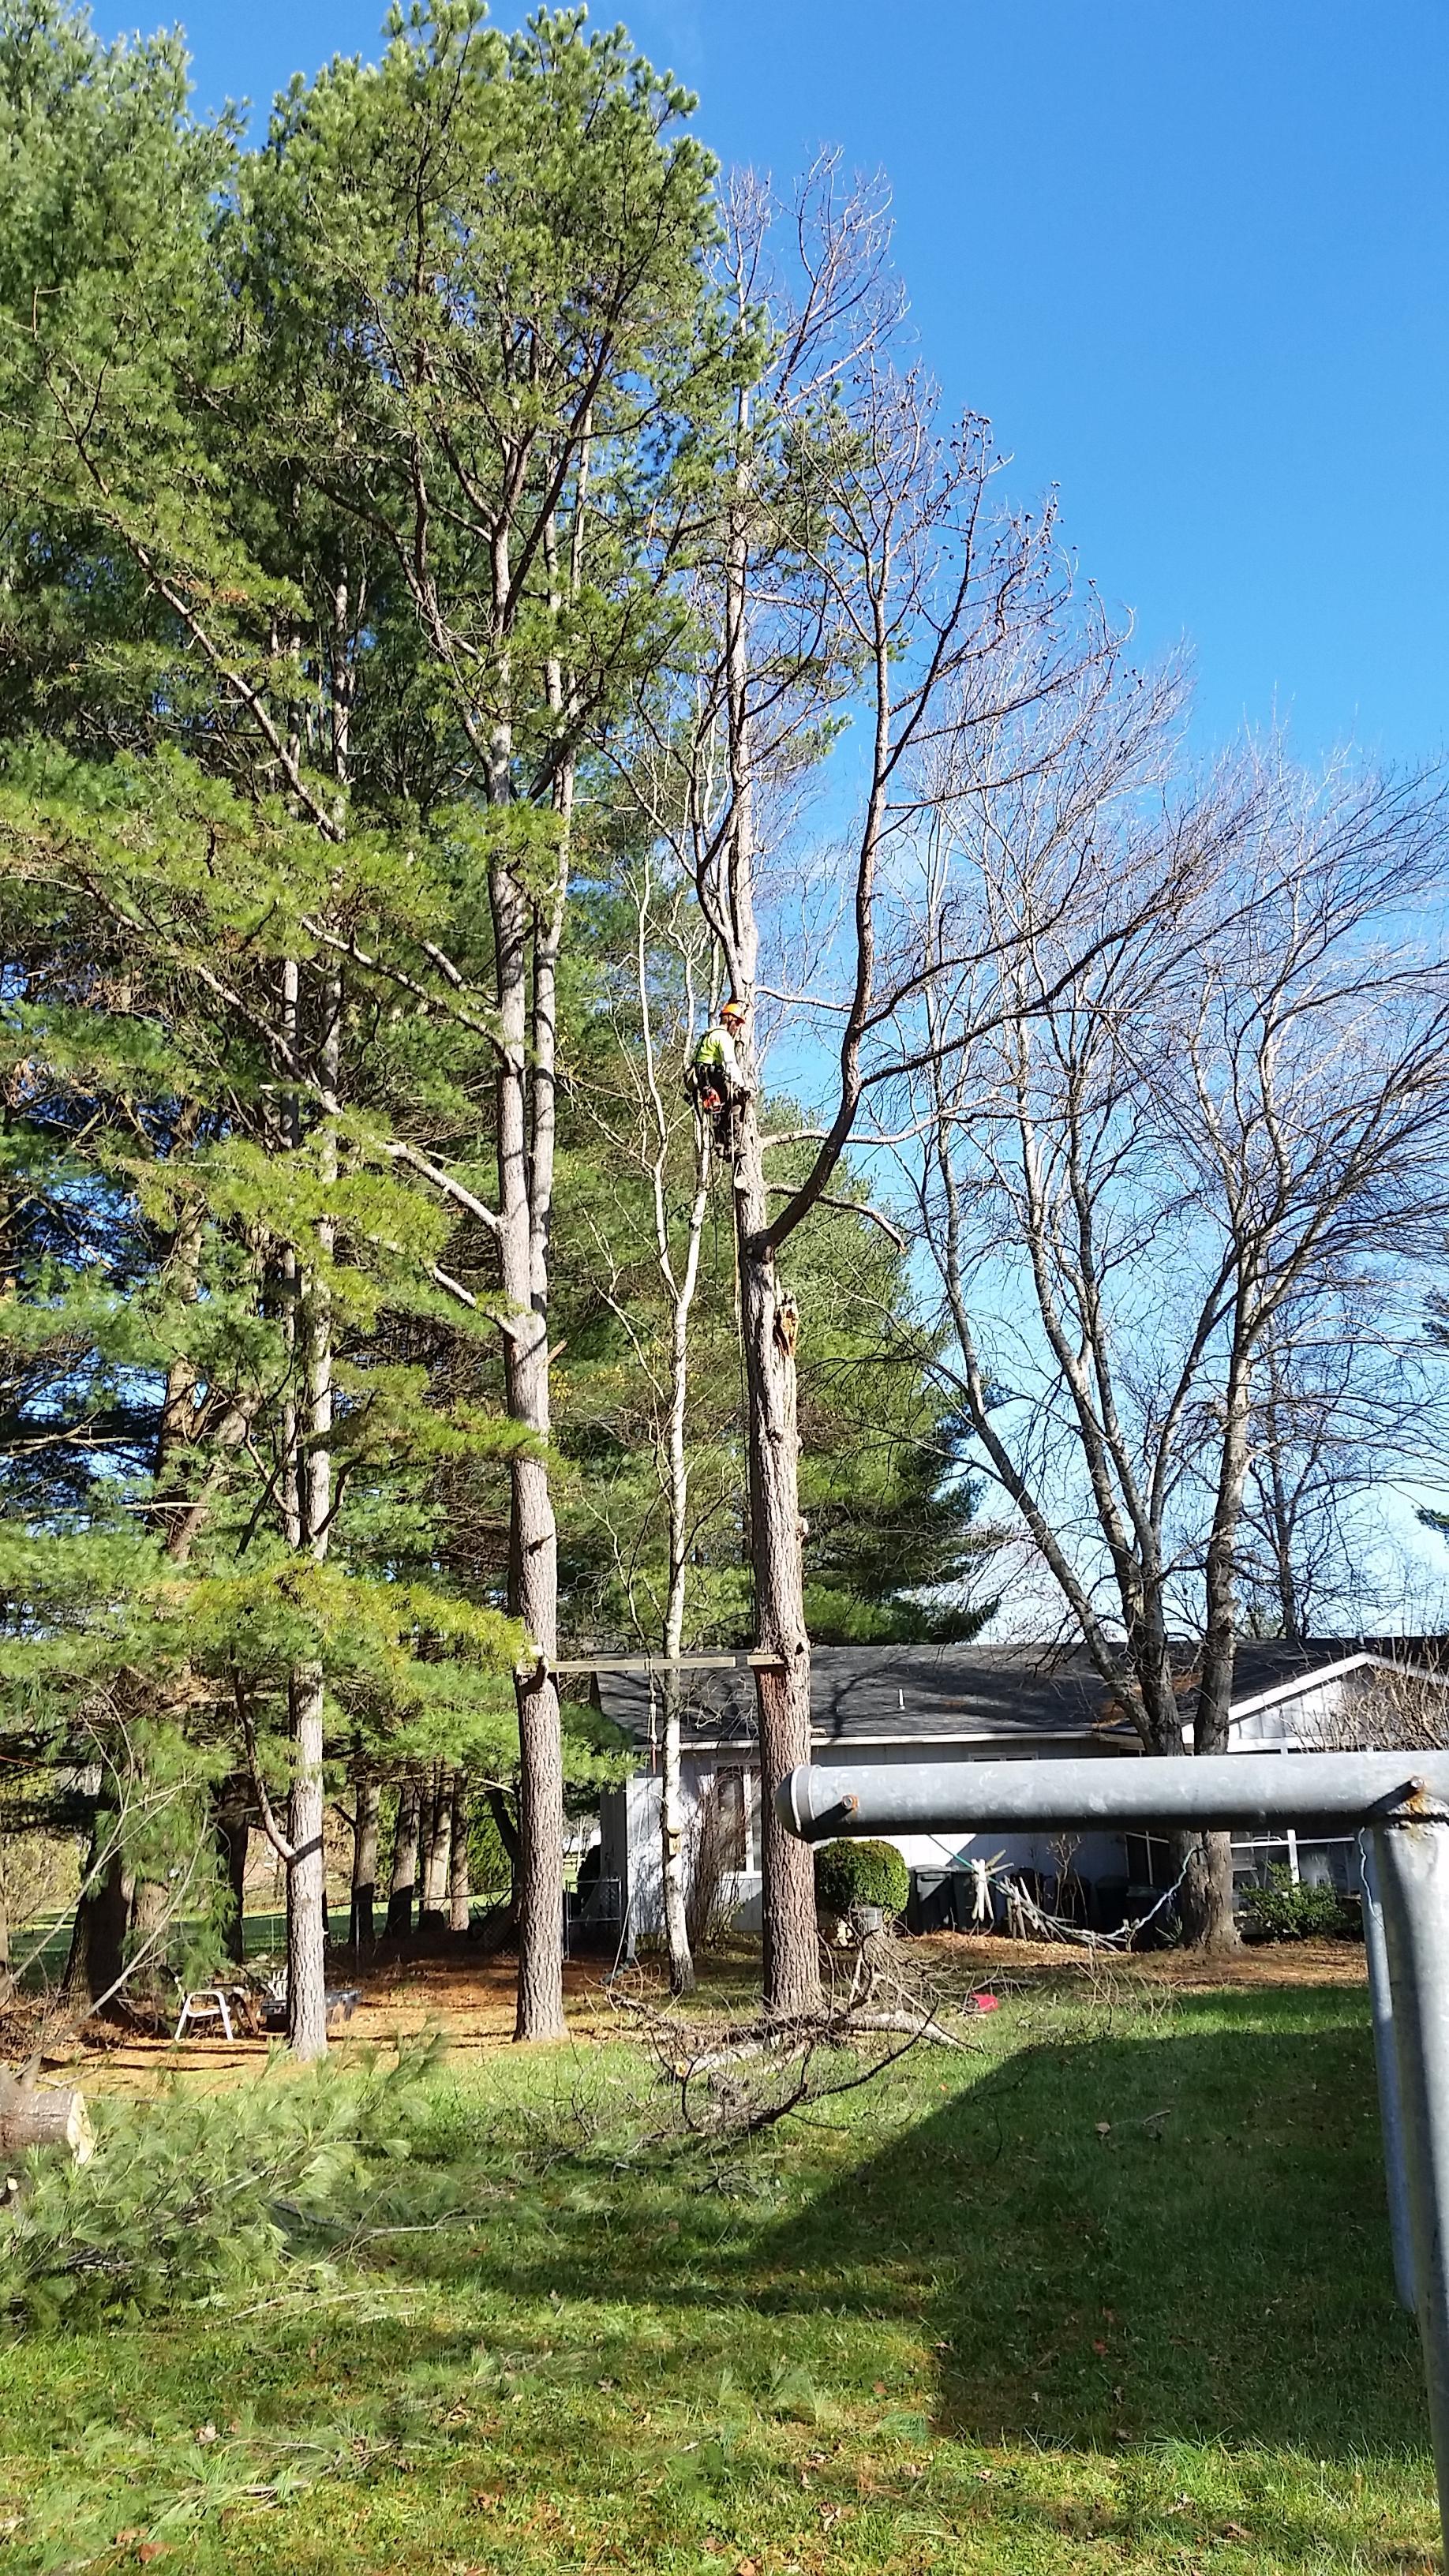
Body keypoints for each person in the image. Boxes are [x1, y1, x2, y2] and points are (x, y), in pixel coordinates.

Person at [687, 998, 749, 1153]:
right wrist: (742, 1085)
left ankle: (721, 1143)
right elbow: (730, 1063)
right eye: (737, 1023)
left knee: (718, 1108)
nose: (738, 1028)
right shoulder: (723, 1036)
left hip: (703, 1078)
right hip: (712, 1075)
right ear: (730, 1020)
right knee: (737, 1101)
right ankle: (732, 1142)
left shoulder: (708, 1035)